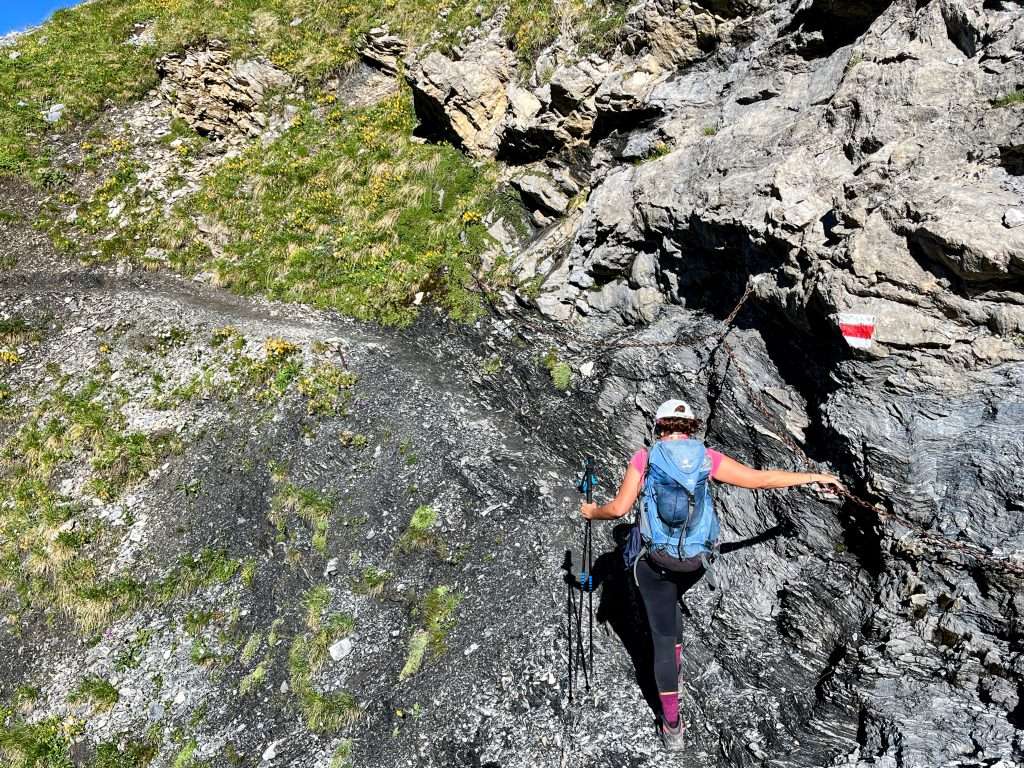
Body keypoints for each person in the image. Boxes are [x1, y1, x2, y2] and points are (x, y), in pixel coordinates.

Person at [579, 399, 842, 752]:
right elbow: (761, 480)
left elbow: (620, 509)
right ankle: (676, 655)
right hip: (696, 561)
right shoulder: (707, 458)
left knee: (659, 632)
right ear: (691, 429)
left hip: (657, 560)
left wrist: (591, 511)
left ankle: (672, 724)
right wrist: (814, 476)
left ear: (659, 427)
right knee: (672, 600)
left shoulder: (646, 458)